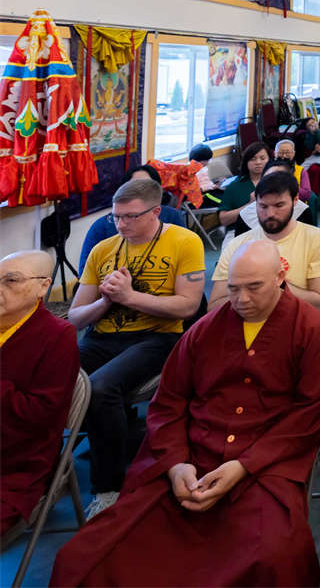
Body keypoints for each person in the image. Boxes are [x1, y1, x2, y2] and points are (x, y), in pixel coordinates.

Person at [52, 240, 320, 586]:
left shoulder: (310, 329)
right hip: (192, 455)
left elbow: (310, 413)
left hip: (266, 464)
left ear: (280, 277)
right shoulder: (205, 329)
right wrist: (175, 464)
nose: (242, 299)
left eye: (254, 287)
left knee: (275, 558)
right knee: (83, 559)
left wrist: (244, 465)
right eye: (233, 288)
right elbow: (167, 403)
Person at [70, 178, 205, 518]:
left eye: (130, 217)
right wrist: (105, 301)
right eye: (116, 217)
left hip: (156, 337)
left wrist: (129, 297)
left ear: (156, 212)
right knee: (45, 375)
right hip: (102, 337)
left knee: (100, 388)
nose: (121, 224)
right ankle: (38, 474)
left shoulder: (184, 241)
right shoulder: (104, 249)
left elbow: (188, 306)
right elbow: (75, 316)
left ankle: (108, 489)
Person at [0, 250, 78, 534]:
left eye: (11, 281)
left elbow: (42, 414)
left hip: (15, 462)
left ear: (43, 286)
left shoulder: (58, 336)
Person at [211, 171, 320, 313]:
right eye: (263, 206)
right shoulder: (237, 245)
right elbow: (214, 306)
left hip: (296, 321)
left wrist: (270, 286)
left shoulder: (317, 240)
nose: (270, 214)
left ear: (295, 201)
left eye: (279, 205)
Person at [79, 166, 186, 273]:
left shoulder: (173, 217)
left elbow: (183, 263)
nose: (121, 225)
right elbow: (86, 271)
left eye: (146, 187)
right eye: (133, 187)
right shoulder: (102, 226)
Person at [218, 142, 270, 226]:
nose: (258, 162)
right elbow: (224, 220)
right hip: (242, 230)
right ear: (246, 162)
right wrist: (249, 205)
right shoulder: (234, 186)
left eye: (262, 158)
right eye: (253, 159)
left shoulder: (276, 182)